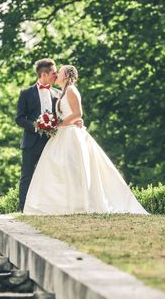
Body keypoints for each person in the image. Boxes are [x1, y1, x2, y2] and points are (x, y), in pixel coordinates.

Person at [23, 65, 148, 215]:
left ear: (67, 76)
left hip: (70, 135)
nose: (56, 74)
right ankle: (59, 205)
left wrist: (60, 124)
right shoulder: (62, 92)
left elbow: (78, 113)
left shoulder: (71, 90)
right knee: (59, 169)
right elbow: (68, 114)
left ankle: (78, 205)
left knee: (71, 168)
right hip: (62, 133)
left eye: (60, 72)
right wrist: (52, 123)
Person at [15, 58, 61, 211]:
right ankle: (22, 209)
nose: (56, 75)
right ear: (44, 74)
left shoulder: (58, 94)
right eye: (53, 73)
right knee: (27, 176)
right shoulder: (26, 93)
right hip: (31, 142)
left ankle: (46, 207)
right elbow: (19, 118)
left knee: (50, 176)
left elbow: (62, 116)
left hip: (51, 142)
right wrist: (36, 126)